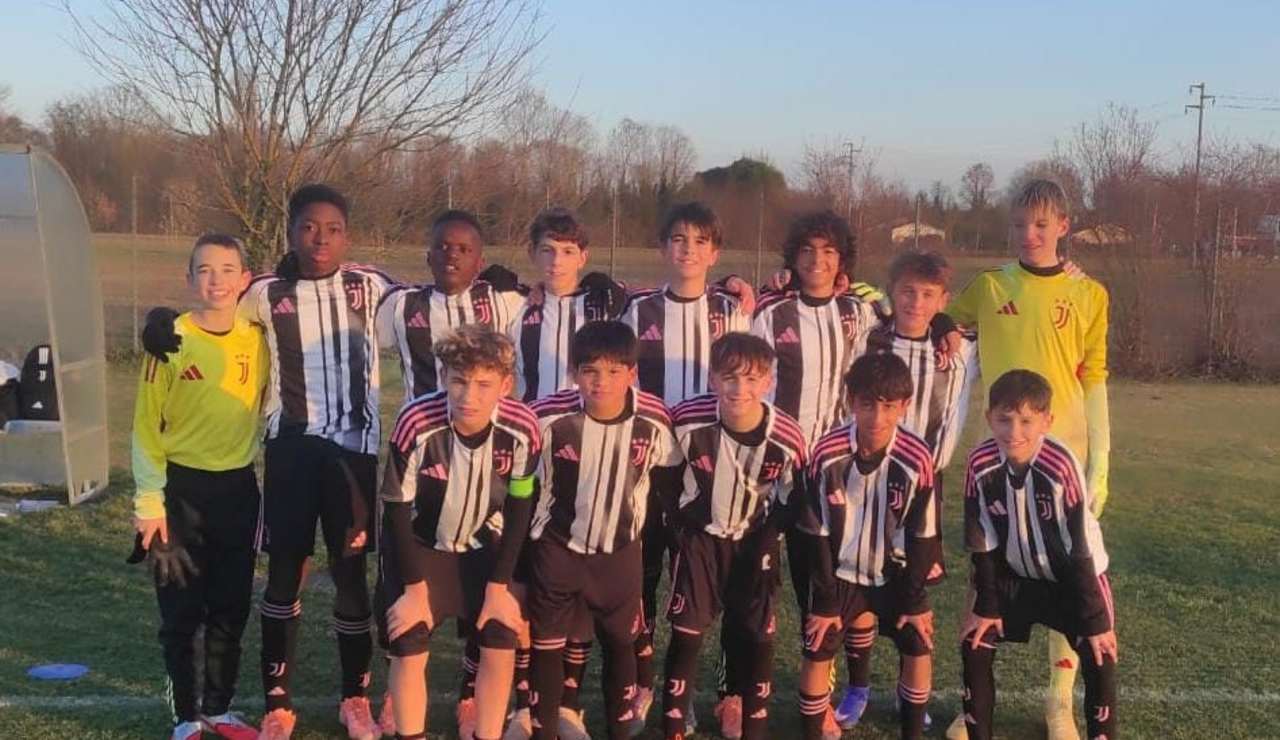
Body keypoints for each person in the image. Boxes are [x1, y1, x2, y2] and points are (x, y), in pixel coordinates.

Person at [945, 179, 1110, 740]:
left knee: (1069, 574)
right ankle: (970, 704)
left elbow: (1094, 379)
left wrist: (1101, 460)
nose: (1029, 235)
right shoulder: (990, 286)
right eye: (1019, 225)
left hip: (1065, 458)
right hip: (1000, 457)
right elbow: (934, 315)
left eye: (1041, 225)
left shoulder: (1090, 294)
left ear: (1064, 226)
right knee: (985, 568)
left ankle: (1058, 704)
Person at [831, 250, 977, 730]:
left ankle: (909, 696)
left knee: (912, 589)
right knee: (859, 579)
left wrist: (948, 324)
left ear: (944, 300)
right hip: (863, 477)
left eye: (929, 294)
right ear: (891, 292)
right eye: (908, 291)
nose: (917, 302)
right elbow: (841, 296)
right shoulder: (869, 339)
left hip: (923, 488)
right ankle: (857, 687)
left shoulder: (962, 349)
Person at [621, 201, 753, 730]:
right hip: (650, 468)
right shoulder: (637, 312)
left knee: (711, 584)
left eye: (700, 241)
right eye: (678, 239)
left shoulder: (733, 311)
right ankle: (643, 684)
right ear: (663, 248)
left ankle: (725, 691)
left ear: (715, 252)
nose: (688, 250)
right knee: (644, 576)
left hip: (713, 470)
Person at [130, 233, 267, 740]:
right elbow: (145, 429)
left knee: (232, 605)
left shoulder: (259, 338)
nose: (216, 280)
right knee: (182, 612)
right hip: (179, 493)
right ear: (189, 279)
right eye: (204, 270)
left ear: (245, 279)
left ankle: (220, 709)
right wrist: (149, 502)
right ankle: (186, 717)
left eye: (228, 270)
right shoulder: (169, 340)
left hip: (238, 489)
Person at [378, 325, 540, 740]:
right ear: (443, 377)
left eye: (484, 385)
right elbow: (396, 508)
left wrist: (499, 586)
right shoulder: (415, 420)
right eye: (459, 382)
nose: (469, 397)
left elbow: (520, 507)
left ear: (506, 385)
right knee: (408, 641)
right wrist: (414, 590)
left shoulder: (523, 428)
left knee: (500, 640)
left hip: (485, 548)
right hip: (421, 547)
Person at [525, 321, 684, 740]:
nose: (601, 382)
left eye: (614, 371)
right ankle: (543, 729)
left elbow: (669, 481)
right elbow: (522, 483)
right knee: (547, 646)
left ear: (632, 374)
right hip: (558, 548)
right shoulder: (545, 417)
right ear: (574, 373)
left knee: (619, 644)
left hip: (619, 553)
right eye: (590, 371)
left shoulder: (655, 421)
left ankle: (619, 727)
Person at [660, 332, 807, 740]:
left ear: (768, 382)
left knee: (756, 636)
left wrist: (768, 536)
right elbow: (666, 476)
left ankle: (750, 722)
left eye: (751, 379)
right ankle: (674, 724)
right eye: (729, 377)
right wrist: (680, 524)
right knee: (687, 634)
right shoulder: (686, 420)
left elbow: (794, 498)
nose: (739, 388)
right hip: (702, 540)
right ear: (712, 379)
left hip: (754, 540)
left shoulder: (787, 436)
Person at [958, 370, 1117, 740]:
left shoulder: (1060, 465)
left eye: (1026, 421)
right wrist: (987, 605)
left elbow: (1078, 547)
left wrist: (1095, 620)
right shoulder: (979, 463)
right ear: (989, 418)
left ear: (1047, 421)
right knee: (975, 642)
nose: (1014, 432)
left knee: (1100, 653)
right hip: (1014, 575)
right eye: (1004, 419)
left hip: (1072, 577)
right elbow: (981, 540)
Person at [795, 352, 938, 740]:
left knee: (918, 638)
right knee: (818, 641)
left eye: (889, 406)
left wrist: (914, 599)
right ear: (851, 402)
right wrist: (825, 601)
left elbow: (923, 535)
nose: (877, 417)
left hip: (894, 572)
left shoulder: (917, 457)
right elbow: (816, 534)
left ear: (904, 406)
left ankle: (912, 731)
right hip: (840, 573)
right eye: (868, 404)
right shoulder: (827, 454)